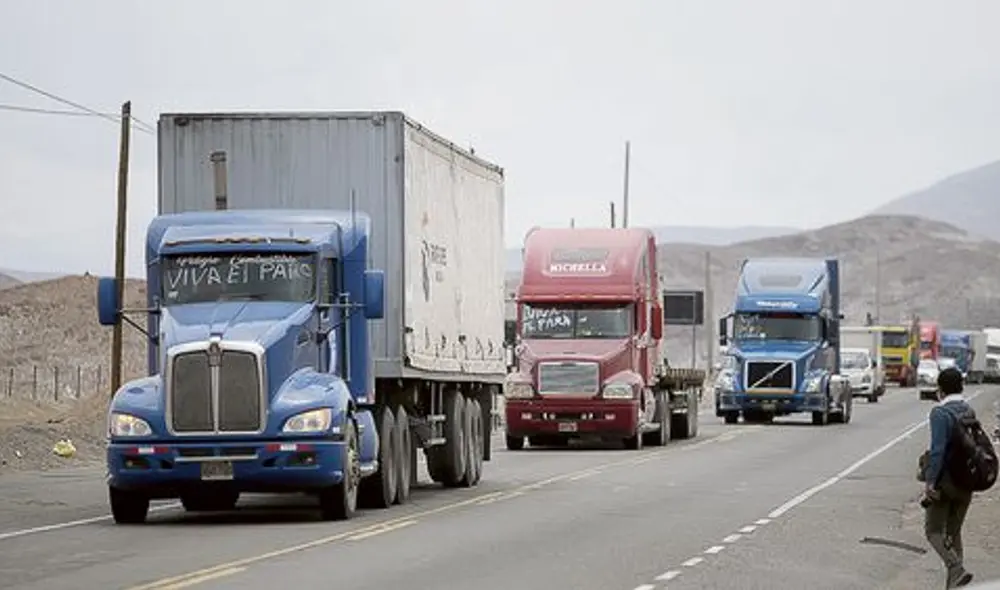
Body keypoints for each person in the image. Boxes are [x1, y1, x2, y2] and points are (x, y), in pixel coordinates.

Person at [920, 367, 975, 588]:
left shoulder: (940, 413)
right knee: (953, 534)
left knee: (933, 530)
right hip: (968, 482)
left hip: (945, 483)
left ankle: (956, 569)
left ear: (940, 389)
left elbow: (938, 451)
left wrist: (930, 482)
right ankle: (955, 584)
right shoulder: (968, 409)